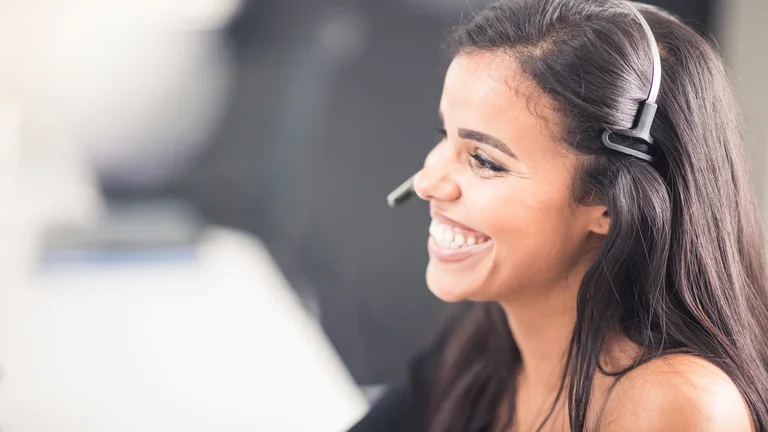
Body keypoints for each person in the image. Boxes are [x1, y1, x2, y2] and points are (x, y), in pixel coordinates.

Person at [350, 0, 768, 431]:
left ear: (607, 204)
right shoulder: (476, 345)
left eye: (484, 160)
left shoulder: (675, 406)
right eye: (445, 134)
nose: (426, 182)